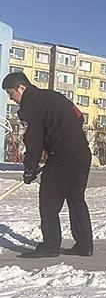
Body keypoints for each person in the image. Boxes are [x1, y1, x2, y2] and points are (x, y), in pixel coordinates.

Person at [2, 72, 94, 258]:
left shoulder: (30, 106)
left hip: (62, 157)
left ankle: (50, 247)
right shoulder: (53, 96)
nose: (11, 98)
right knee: (76, 199)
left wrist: (30, 169)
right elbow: (79, 117)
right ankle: (85, 246)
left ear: (21, 88)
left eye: (11, 93)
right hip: (81, 154)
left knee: (49, 202)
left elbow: (34, 140)